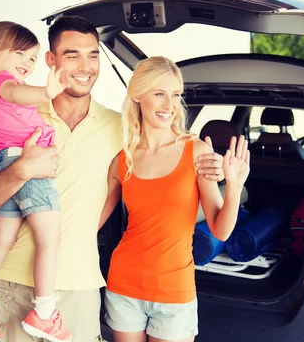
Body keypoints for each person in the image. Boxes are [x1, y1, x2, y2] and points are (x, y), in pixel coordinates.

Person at [0, 16, 226, 342]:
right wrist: (21, 170)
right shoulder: (18, 117)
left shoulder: (121, 130)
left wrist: (210, 164)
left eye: (93, 55)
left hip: (80, 287)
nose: (85, 66)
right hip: (12, 283)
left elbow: (166, 144)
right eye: (72, 55)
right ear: (51, 61)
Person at [99, 56, 250, 342]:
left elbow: (220, 230)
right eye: (159, 93)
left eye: (175, 95)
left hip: (173, 292)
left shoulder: (196, 151)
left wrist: (234, 186)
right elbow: (94, 220)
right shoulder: (122, 159)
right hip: (123, 285)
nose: (169, 105)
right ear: (138, 95)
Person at [0, 21, 73, 342]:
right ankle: (46, 313)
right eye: (20, 53)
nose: (28, 63)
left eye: (32, 58)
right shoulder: (5, 83)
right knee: (48, 239)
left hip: (4, 159)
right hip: (28, 162)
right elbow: (17, 92)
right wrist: (46, 91)